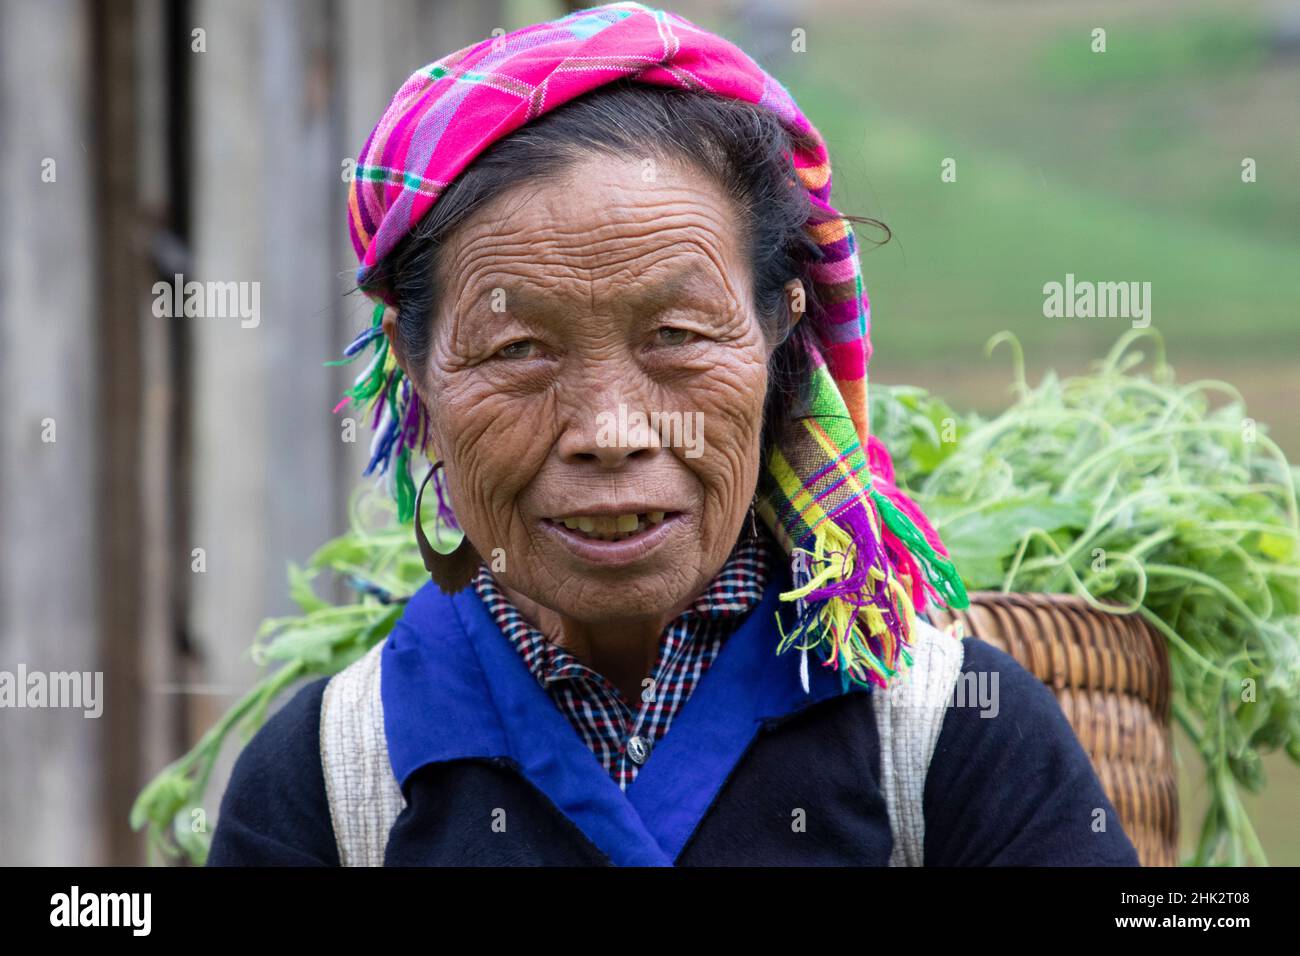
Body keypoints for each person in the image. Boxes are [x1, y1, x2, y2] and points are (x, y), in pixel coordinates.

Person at [208, 2, 1138, 867]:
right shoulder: (328, 787)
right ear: (413, 367)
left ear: (780, 337)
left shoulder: (952, 740)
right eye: (518, 347)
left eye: (679, 337)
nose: (610, 432)